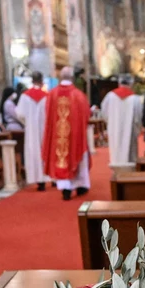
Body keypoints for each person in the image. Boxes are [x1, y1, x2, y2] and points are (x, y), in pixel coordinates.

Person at [41, 66, 91, 200]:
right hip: (75, 136)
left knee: (60, 156)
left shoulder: (52, 95)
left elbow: (47, 114)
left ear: (60, 77)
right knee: (78, 156)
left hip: (58, 135)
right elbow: (86, 115)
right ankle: (81, 186)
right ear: (73, 78)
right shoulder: (78, 95)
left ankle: (65, 189)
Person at [15, 71, 49, 190]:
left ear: (32, 80)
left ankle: (38, 181)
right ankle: (48, 177)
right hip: (44, 128)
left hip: (31, 130)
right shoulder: (46, 96)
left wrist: (28, 124)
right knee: (45, 151)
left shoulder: (25, 96)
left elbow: (19, 114)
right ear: (41, 81)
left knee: (33, 152)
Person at [101, 74, 142, 167]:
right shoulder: (135, 99)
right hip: (130, 132)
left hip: (114, 129)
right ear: (131, 84)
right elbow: (138, 117)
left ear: (119, 83)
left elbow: (104, 112)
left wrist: (111, 122)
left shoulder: (110, 96)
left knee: (116, 153)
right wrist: (137, 129)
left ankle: (116, 171)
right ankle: (130, 175)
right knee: (130, 157)